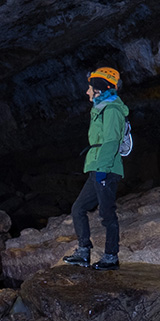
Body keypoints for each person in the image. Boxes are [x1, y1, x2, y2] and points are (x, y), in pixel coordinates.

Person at [62, 66, 129, 270]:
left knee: (107, 213)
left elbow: (110, 142)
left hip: (106, 169)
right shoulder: (101, 109)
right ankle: (83, 251)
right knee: (78, 208)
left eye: (91, 88)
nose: (87, 92)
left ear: (100, 89)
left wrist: (102, 170)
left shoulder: (112, 110)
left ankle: (111, 257)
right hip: (98, 167)